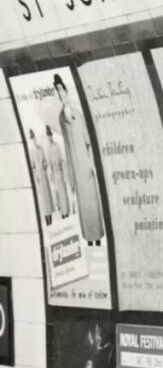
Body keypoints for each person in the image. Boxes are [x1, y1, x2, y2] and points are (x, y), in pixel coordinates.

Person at [55, 74, 105, 246]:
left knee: (92, 202)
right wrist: (70, 175)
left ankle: (98, 237)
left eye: (62, 90)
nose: (61, 94)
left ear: (66, 92)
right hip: (75, 168)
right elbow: (67, 149)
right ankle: (89, 241)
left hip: (85, 166)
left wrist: (91, 165)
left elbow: (88, 142)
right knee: (84, 206)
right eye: (58, 91)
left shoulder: (77, 114)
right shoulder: (61, 118)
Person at [27, 129, 54, 226]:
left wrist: (44, 165)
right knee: (42, 200)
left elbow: (45, 161)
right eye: (32, 139)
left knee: (47, 198)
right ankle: (46, 220)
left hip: (44, 174)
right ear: (31, 140)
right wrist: (35, 175)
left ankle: (50, 219)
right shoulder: (31, 152)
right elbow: (32, 166)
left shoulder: (41, 149)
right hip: (38, 177)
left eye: (34, 138)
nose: (34, 140)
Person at [45, 125, 70, 219]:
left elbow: (62, 160)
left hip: (60, 171)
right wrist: (51, 176)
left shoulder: (57, 146)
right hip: (54, 173)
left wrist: (64, 174)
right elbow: (49, 163)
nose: (49, 138)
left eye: (50, 136)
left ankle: (66, 212)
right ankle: (62, 213)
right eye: (48, 137)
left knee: (63, 193)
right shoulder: (48, 149)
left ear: (52, 136)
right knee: (58, 194)